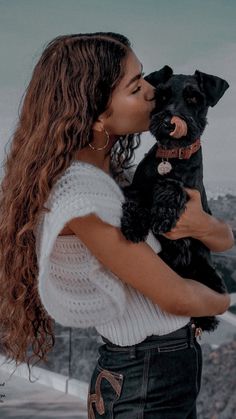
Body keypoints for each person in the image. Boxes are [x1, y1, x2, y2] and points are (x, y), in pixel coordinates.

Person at [0, 32, 233, 418]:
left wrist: (203, 225)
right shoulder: (84, 196)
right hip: (145, 380)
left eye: (144, 77)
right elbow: (177, 297)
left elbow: (222, 236)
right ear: (95, 112)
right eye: (135, 85)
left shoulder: (115, 175)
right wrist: (221, 303)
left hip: (157, 371)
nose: (151, 90)